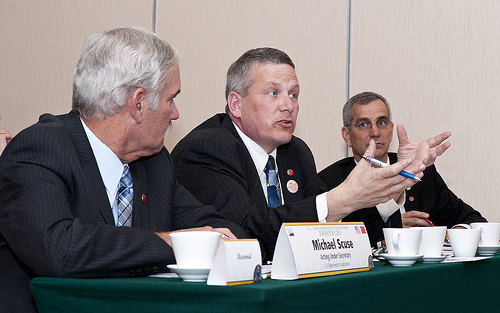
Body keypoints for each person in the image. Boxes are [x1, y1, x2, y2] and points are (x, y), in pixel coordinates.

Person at [0, 27, 248, 313]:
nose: (175, 113)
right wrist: (176, 243)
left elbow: (227, 233)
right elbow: (62, 249)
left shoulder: (154, 164)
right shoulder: (41, 148)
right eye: (171, 98)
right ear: (138, 103)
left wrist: (213, 240)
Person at [172, 48, 449, 260]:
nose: (288, 105)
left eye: (294, 94)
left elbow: (338, 232)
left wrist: (395, 183)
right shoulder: (207, 149)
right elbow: (245, 235)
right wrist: (340, 199)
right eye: (273, 93)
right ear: (236, 104)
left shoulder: (295, 152)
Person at [318, 91, 486, 246]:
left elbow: (473, 220)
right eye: (363, 124)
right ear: (347, 136)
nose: (375, 132)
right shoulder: (329, 182)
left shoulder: (420, 171)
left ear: (391, 131)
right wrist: (389, 231)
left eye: (381, 122)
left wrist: (451, 236)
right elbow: (329, 242)